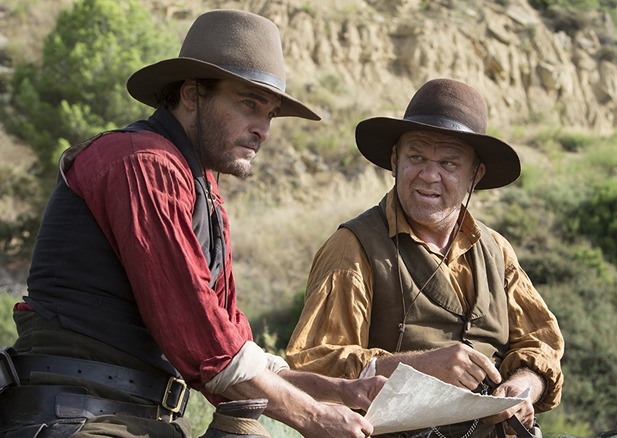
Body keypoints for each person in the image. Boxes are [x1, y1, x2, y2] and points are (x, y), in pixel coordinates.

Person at [0, 9, 383, 438]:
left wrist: (338, 391)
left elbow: (232, 348)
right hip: (76, 417)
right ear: (191, 95)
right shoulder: (143, 164)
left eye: (270, 114)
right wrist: (312, 417)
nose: (263, 130)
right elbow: (206, 345)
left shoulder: (202, 192)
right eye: (249, 105)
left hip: (136, 419)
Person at [286, 78, 565, 437]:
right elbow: (315, 366)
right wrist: (417, 367)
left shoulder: (497, 251)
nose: (429, 175)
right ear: (394, 161)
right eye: (416, 157)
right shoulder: (353, 247)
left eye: (449, 163)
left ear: (474, 175)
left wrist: (524, 387)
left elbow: (540, 343)